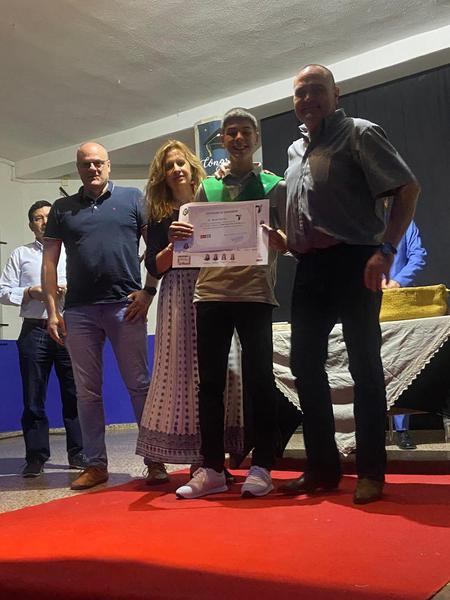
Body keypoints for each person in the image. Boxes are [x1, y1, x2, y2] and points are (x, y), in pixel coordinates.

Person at [277, 64, 420, 504]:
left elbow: (408, 189)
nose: (308, 99)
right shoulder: (294, 150)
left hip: (358, 260)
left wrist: (387, 251)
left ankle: (372, 472)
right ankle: (322, 469)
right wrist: (285, 241)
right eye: (300, 93)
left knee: (364, 365)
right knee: (304, 366)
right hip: (309, 266)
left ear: (336, 94)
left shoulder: (360, 133)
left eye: (316, 90)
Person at [175, 108, 287, 500]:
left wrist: (283, 242)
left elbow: (289, 239)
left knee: (260, 381)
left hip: (255, 293)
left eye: (245, 132)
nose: (238, 139)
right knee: (209, 384)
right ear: (222, 140)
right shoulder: (207, 188)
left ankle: (263, 466)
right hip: (210, 293)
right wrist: (180, 234)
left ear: (256, 138)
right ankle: (212, 468)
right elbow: (194, 240)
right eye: (231, 133)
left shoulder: (275, 185)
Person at [42, 142, 157, 490]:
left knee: (139, 386)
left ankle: (155, 460)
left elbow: (155, 248)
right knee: (87, 392)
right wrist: (52, 310)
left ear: (109, 165)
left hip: (126, 307)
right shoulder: (62, 208)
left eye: (98, 163)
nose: (92, 169)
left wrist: (149, 292)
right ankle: (95, 465)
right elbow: (49, 262)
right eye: (85, 164)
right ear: (78, 169)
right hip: (78, 311)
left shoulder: (133, 198)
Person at [136, 140, 244, 484]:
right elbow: (155, 266)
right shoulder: (158, 214)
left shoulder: (211, 195)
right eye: (169, 166)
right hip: (179, 291)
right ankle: (190, 458)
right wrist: (172, 244)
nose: (176, 169)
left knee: (224, 370)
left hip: (216, 284)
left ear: (191, 166)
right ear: (162, 175)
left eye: (180, 163)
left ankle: (215, 455)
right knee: (181, 372)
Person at [0, 201, 83, 478]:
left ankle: (79, 454)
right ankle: (35, 457)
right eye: (38, 218)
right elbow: (2, 291)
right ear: (31, 225)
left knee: (76, 395)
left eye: (49, 216)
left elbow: (90, 284)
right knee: (33, 398)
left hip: (70, 328)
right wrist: (29, 293)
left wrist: (70, 289)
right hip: (34, 330)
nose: (45, 221)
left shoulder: (74, 251)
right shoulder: (20, 254)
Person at [383, 220, 427, 449]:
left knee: (400, 364)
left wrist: (398, 281)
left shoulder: (405, 223)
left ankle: (402, 429)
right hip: (364, 298)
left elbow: (418, 255)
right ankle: (368, 427)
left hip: (397, 302)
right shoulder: (358, 218)